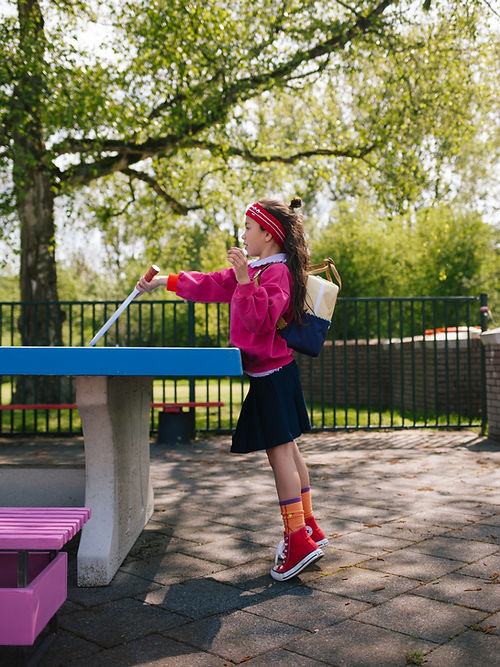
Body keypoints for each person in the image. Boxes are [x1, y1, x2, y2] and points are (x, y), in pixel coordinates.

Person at [136, 197, 328, 581]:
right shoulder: (258, 268)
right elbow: (209, 283)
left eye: (248, 229)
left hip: (272, 376)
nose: (243, 235)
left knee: (280, 456)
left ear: (268, 235)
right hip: (274, 373)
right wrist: (163, 281)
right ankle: (309, 527)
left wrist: (243, 281)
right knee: (289, 450)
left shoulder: (276, 274)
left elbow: (262, 320)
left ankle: (297, 538)